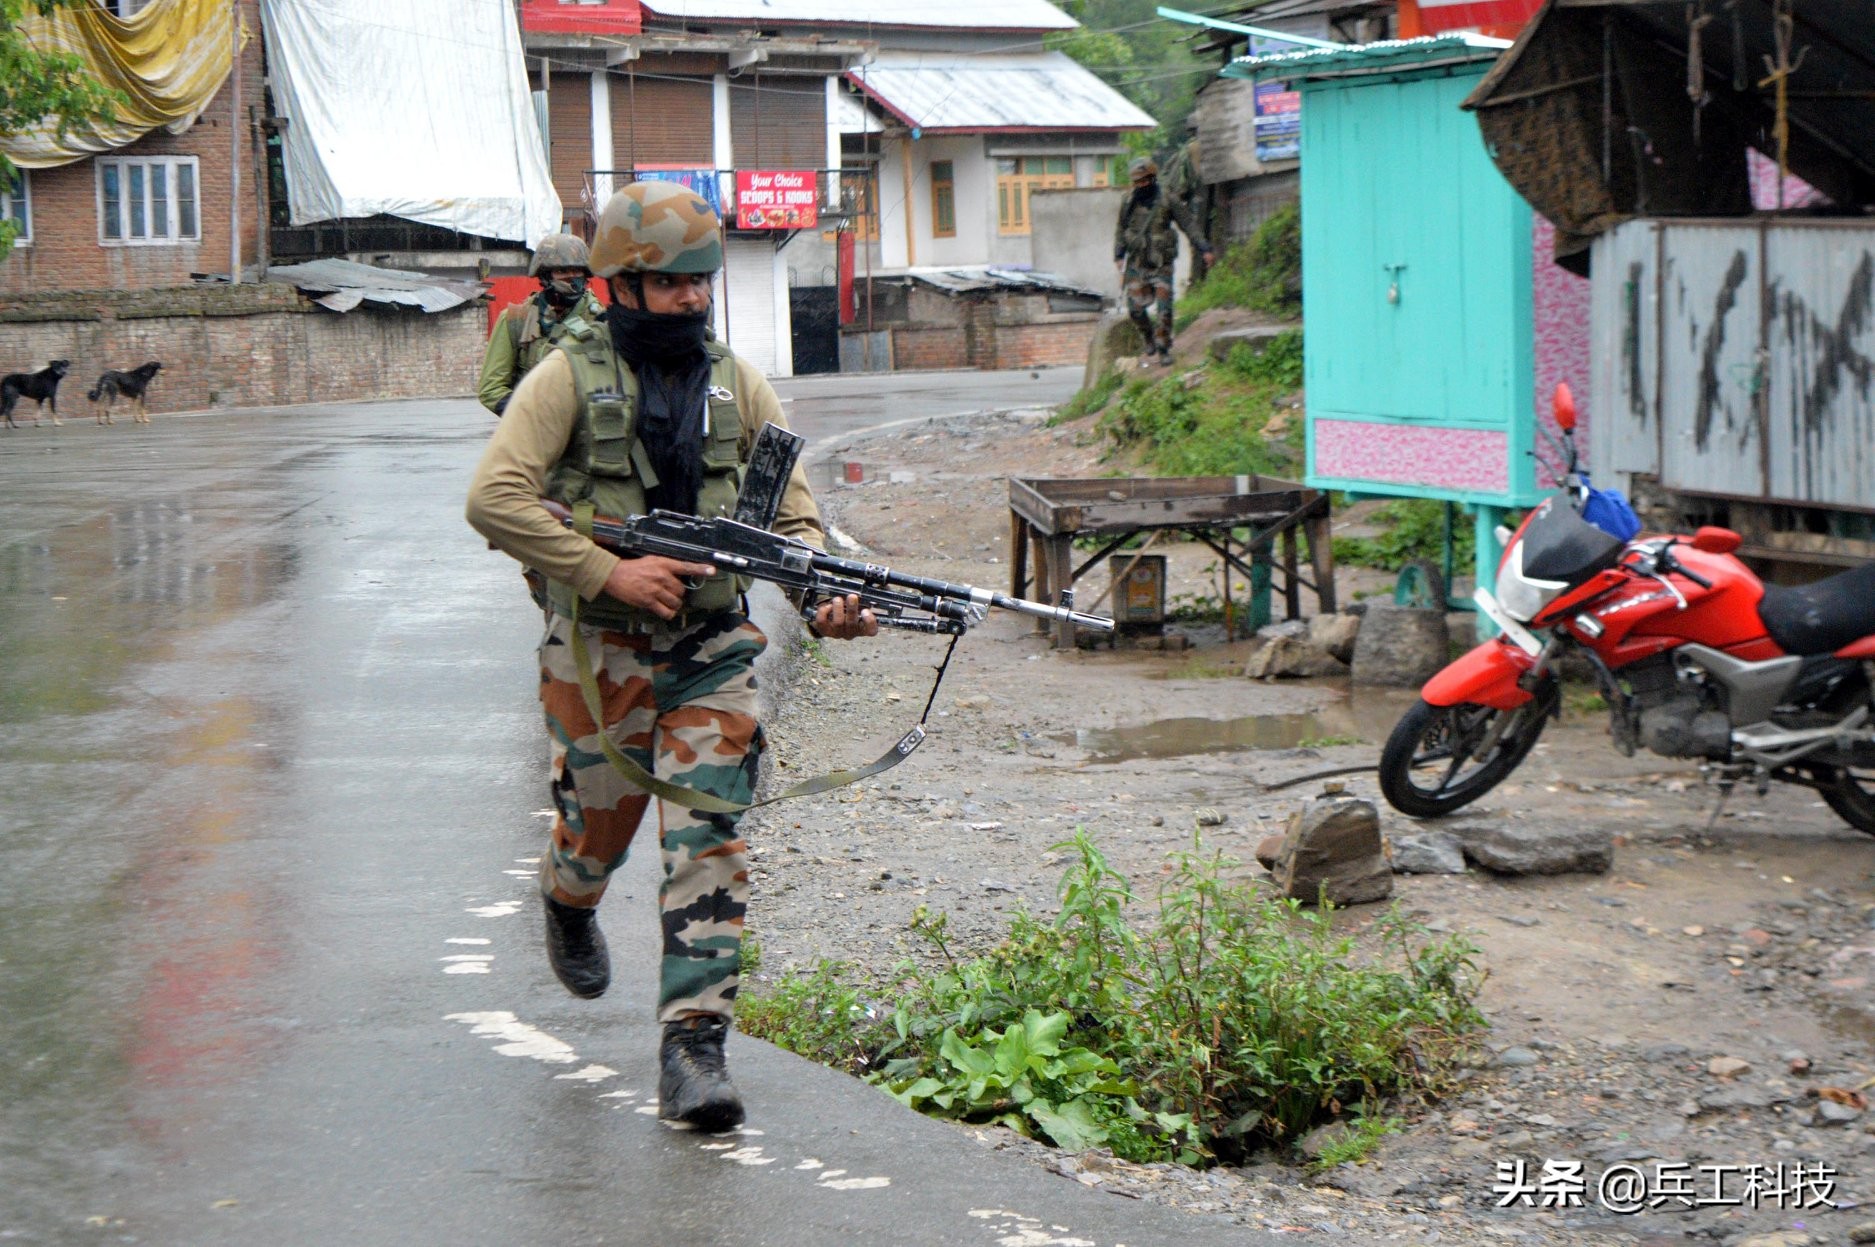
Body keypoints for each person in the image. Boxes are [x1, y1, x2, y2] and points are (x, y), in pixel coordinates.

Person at [465, 180, 878, 1133]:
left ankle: (693, 1048)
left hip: (708, 650)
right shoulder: (562, 378)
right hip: (596, 652)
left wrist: (824, 598)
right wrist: (608, 575)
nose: (696, 298)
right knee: (596, 836)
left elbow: (793, 520)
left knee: (709, 837)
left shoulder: (741, 384)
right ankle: (567, 896)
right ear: (621, 285)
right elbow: (494, 499)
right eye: (675, 283)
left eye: (703, 280)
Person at [477, 232, 605, 416]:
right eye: (561, 271)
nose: (571, 278)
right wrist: (533, 414)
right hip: (535, 429)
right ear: (545, 276)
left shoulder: (601, 320)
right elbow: (491, 389)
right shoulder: (516, 320)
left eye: (577, 271)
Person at [1114, 156, 1216, 367]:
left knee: (1164, 310)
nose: (1141, 185)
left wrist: (1204, 247)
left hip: (1162, 264)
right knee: (1135, 310)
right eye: (1137, 182)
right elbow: (1121, 229)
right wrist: (1118, 254)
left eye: (1144, 181)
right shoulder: (1128, 201)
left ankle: (1163, 348)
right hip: (1137, 263)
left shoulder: (1168, 199)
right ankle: (1148, 337)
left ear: (1152, 178)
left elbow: (1188, 224)